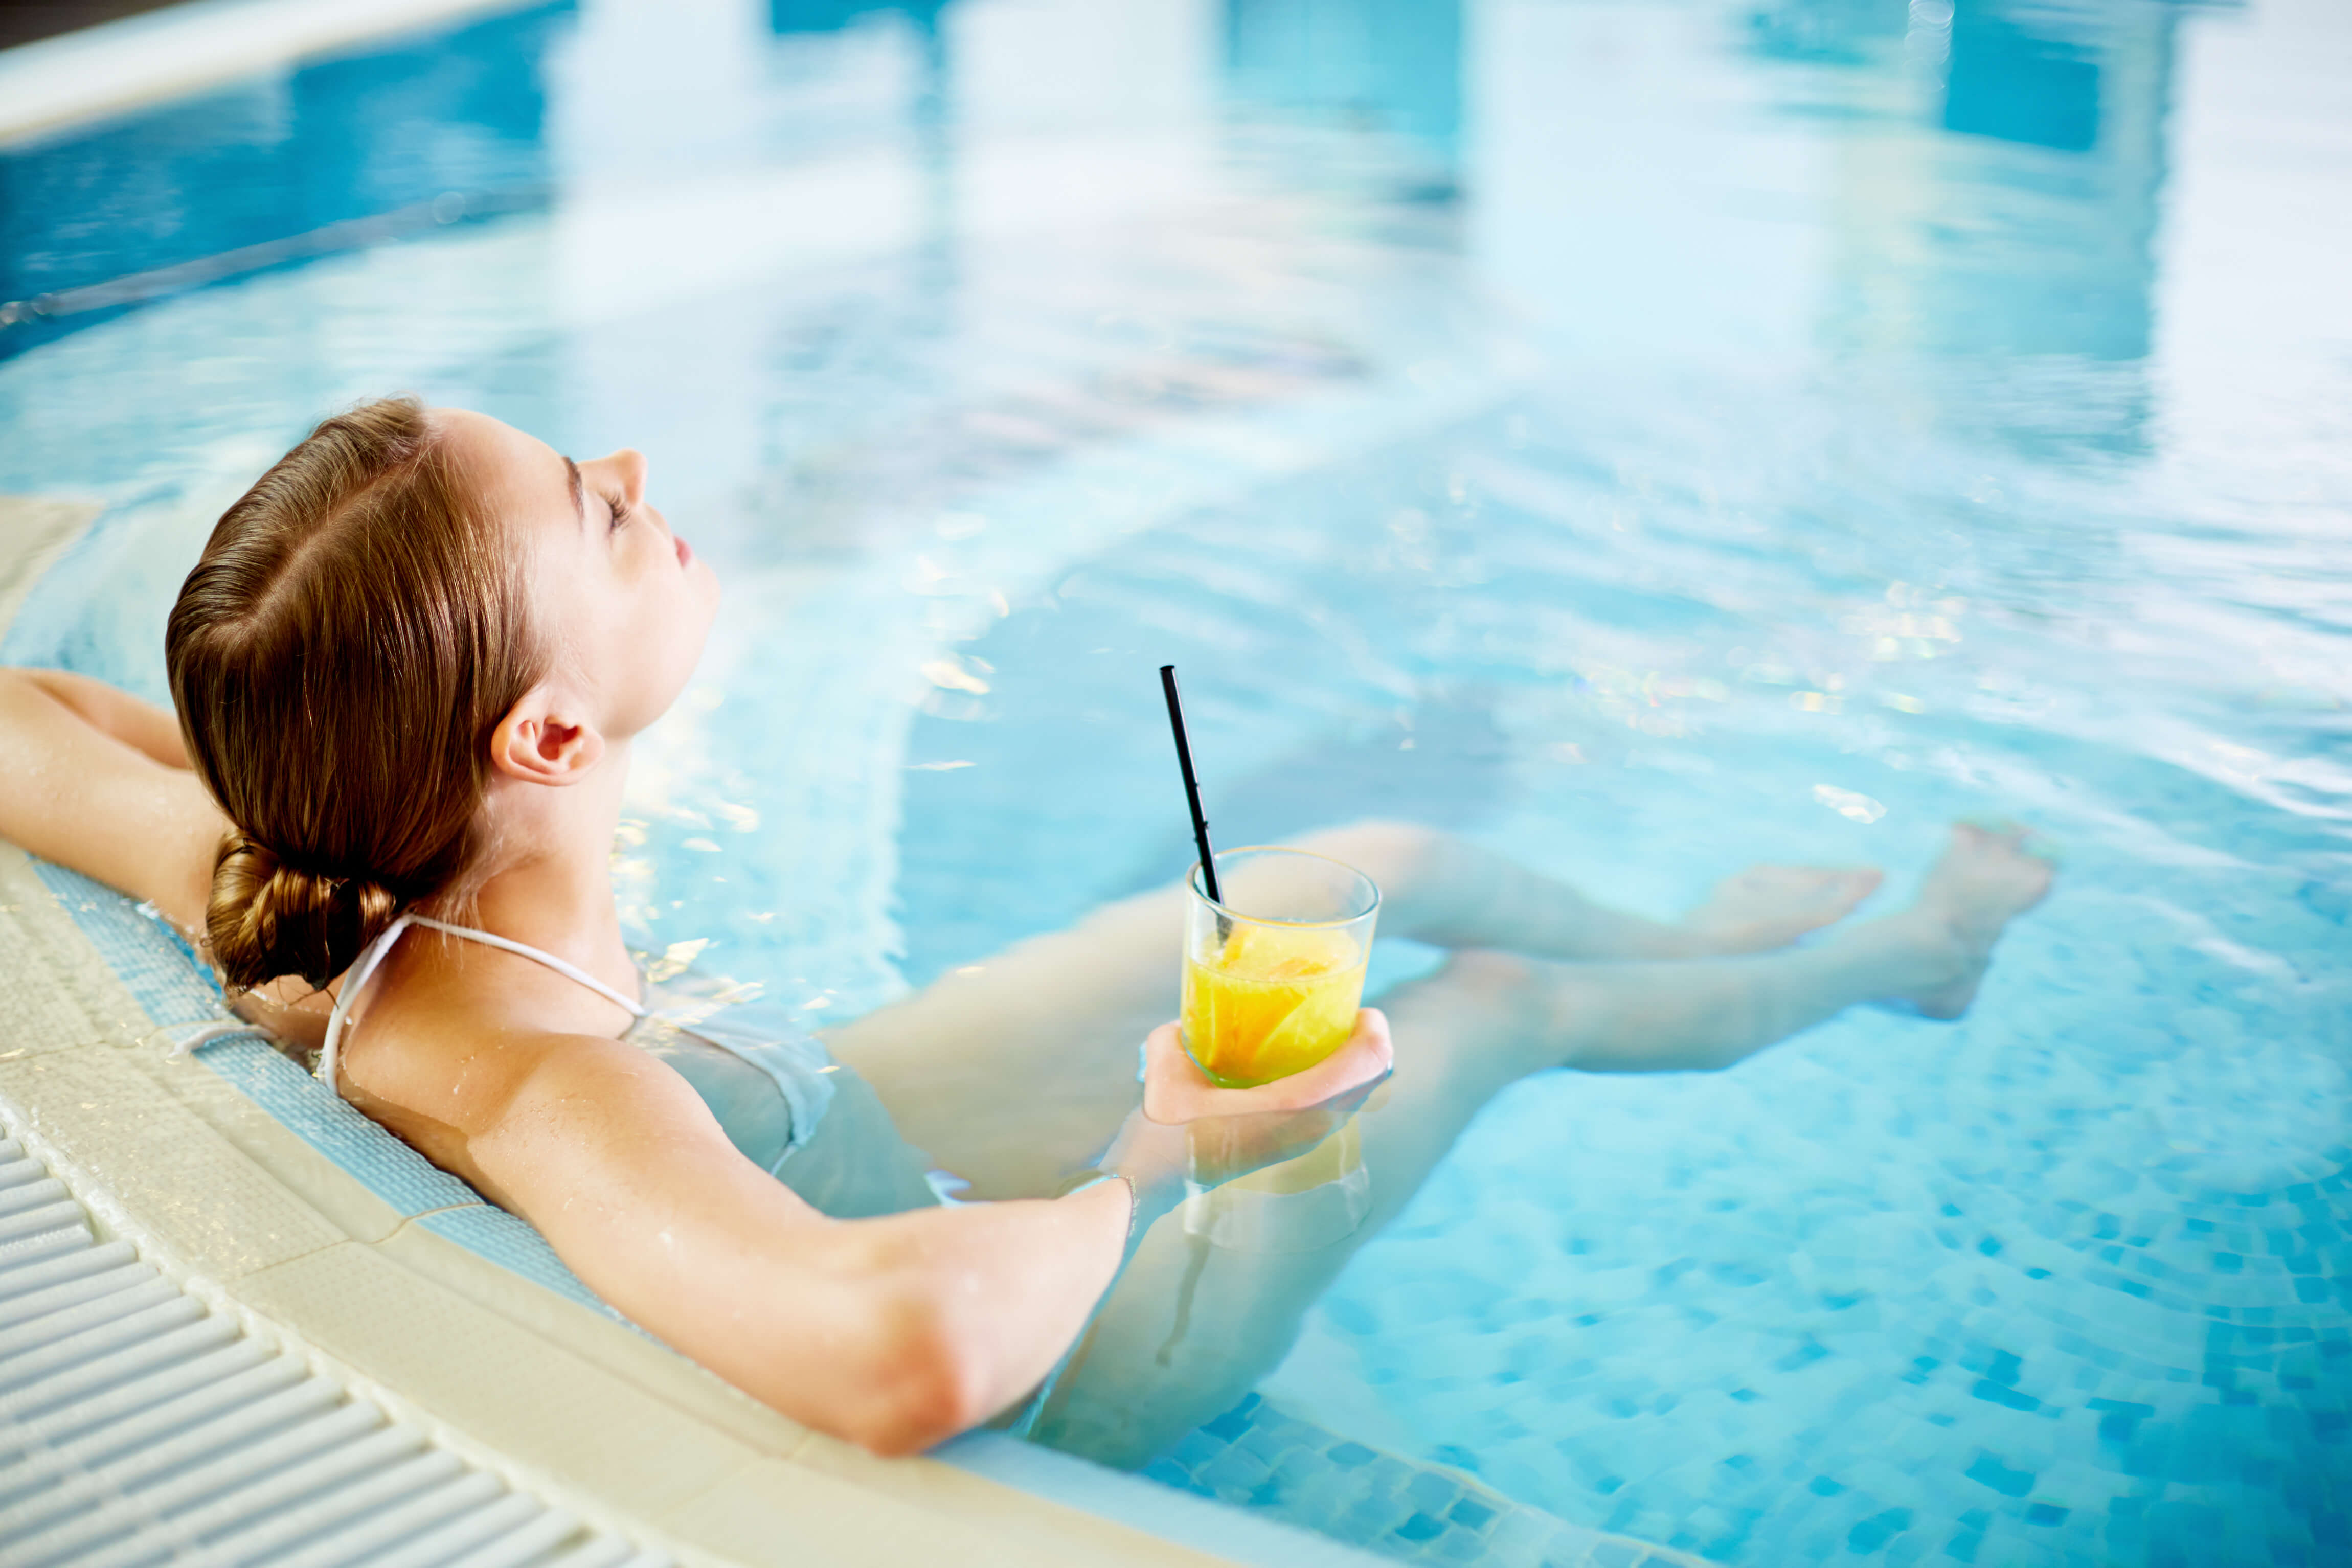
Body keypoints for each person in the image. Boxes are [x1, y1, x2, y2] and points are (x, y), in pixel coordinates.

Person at [0, 398, 2052, 1464]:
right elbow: (906, 1347)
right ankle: (1903, 958)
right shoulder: (552, 1091)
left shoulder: (300, 863)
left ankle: (1687, 934)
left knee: (1359, 856)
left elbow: (37, 720)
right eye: (593, 511)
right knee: (1486, 1004)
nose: (633, 470)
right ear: (542, 732)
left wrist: (292, 734)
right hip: (1076, 1351)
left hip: (820, 1102)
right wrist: (1160, 1146)